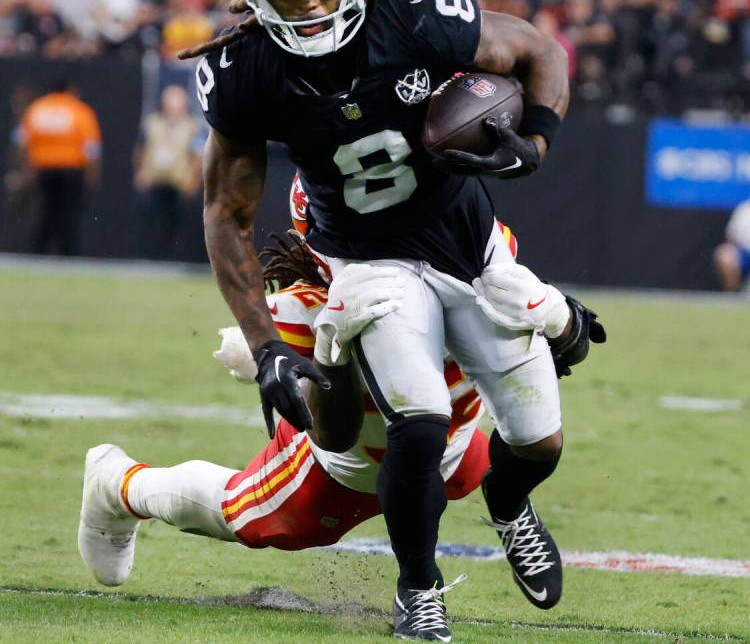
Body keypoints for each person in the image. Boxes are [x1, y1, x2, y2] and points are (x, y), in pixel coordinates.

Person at [178, 0, 591, 641]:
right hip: (365, 259)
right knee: (420, 423)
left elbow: (539, 48)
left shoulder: (415, 10)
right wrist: (267, 348)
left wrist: (533, 144)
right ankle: (418, 587)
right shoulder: (245, 70)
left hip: (465, 242)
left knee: (539, 441)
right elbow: (226, 214)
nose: (309, 5)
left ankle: (509, 503)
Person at [78, 179, 604, 612]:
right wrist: (330, 349)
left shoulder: (480, 251)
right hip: (345, 468)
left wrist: (555, 318)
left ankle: (511, 510)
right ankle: (118, 483)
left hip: (452, 448)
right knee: (249, 517)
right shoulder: (306, 310)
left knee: (488, 459)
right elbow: (333, 432)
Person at [15, 79, 101, 256]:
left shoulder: (38, 108)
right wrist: (92, 173)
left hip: (43, 169)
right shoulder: (78, 110)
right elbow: (91, 148)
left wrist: (25, 169)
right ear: (70, 90)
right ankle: (68, 253)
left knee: (44, 212)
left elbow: (22, 143)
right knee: (68, 214)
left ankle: (37, 252)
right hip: (71, 169)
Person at [132, 84, 203, 260]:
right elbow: (141, 149)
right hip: (155, 178)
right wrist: (140, 172)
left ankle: (174, 258)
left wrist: (194, 180)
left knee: (177, 222)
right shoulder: (153, 122)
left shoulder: (192, 126)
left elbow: (197, 156)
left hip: (179, 181)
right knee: (152, 220)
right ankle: (150, 257)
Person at [713, 198, 750, 292]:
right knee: (725, 254)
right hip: (745, 253)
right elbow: (732, 236)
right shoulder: (744, 208)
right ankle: (733, 295)